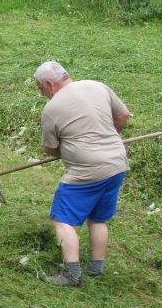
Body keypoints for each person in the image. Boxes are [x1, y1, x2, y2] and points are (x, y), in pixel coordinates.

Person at [34, 61, 131, 287]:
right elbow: (124, 115)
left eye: (40, 89)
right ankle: (96, 269)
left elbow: (50, 148)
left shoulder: (52, 108)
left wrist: (74, 150)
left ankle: (72, 275)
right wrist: (105, 136)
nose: (42, 94)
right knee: (98, 218)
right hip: (116, 163)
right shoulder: (97, 86)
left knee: (61, 220)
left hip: (87, 173)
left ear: (49, 84)